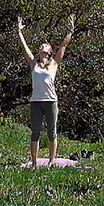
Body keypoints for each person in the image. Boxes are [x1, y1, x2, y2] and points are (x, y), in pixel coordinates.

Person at [16, 15, 75, 167]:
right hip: (36, 101)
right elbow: (25, 48)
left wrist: (70, 31)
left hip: (50, 101)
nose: (42, 47)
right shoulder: (34, 63)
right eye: (40, 46)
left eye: (45, 46)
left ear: (49, 51)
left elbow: (63, 47)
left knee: (52, 132)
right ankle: (34, 162)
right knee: (35, 133)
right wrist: (20, 32)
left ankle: (51, 162)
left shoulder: (54, 64)